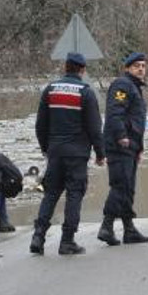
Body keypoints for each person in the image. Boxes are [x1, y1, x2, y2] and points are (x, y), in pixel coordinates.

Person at [31, 52, 105, 255]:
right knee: (74, 195)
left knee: (51, 193)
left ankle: (38, 236)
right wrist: (100, 153)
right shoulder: (85, 93)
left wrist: (46, 148)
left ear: (65, 67)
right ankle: (67, 241)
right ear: (82, 70)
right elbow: (94, 128)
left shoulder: (50, 90)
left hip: (55, 152)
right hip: (77, 155)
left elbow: (40, 125)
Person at [97, 52, 148, 246]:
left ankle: (129, 229)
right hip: (120, 144)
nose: (141, 69)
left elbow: (136, 120)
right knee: (120, 185)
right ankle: (107, 226)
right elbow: (115, 113)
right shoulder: (122, 85)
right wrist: (122, 137)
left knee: (128, 187)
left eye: (143, 66)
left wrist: (139, 147)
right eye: (137, 66)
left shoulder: (134, 87)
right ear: (127, 68)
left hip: (131, 145)